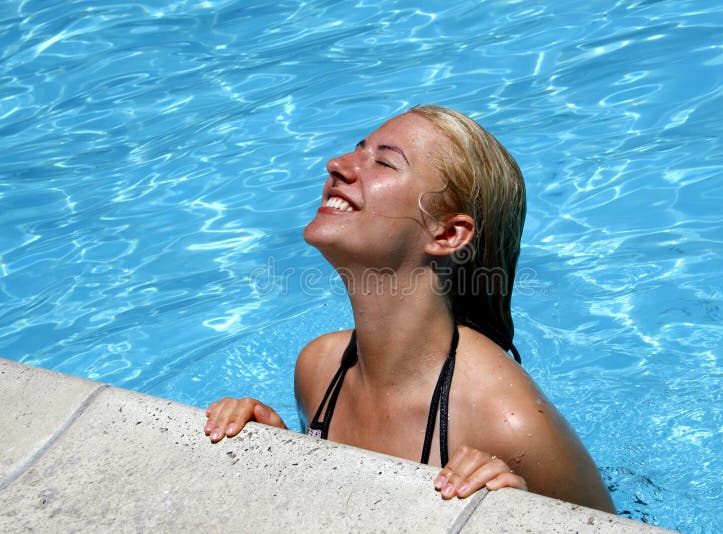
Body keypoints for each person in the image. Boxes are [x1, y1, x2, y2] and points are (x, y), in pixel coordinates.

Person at [204, 105, 615, 513]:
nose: (336, 165)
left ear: (447, 233)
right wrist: (278, 454)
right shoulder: (319, 370)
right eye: (357, 150)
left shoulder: (508, 422)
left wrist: (515, 518)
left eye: (383, 162)